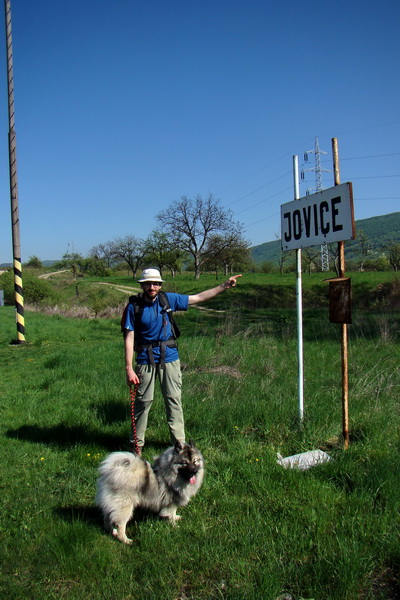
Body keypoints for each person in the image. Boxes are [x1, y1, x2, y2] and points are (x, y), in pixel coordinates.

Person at [122, 267, 242, 455]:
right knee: (143, 402)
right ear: (142, 285)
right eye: (148, 283)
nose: (151, 287)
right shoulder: (133, 307)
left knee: (173, 400)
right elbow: (129, 337)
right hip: (145, 359)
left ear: (160, 285)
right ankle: (136, 446)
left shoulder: (168, 299)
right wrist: (129, 368)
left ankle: (179, 445)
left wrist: (224, 286)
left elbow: (199, 298)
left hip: (169, 358)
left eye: (155, 283)